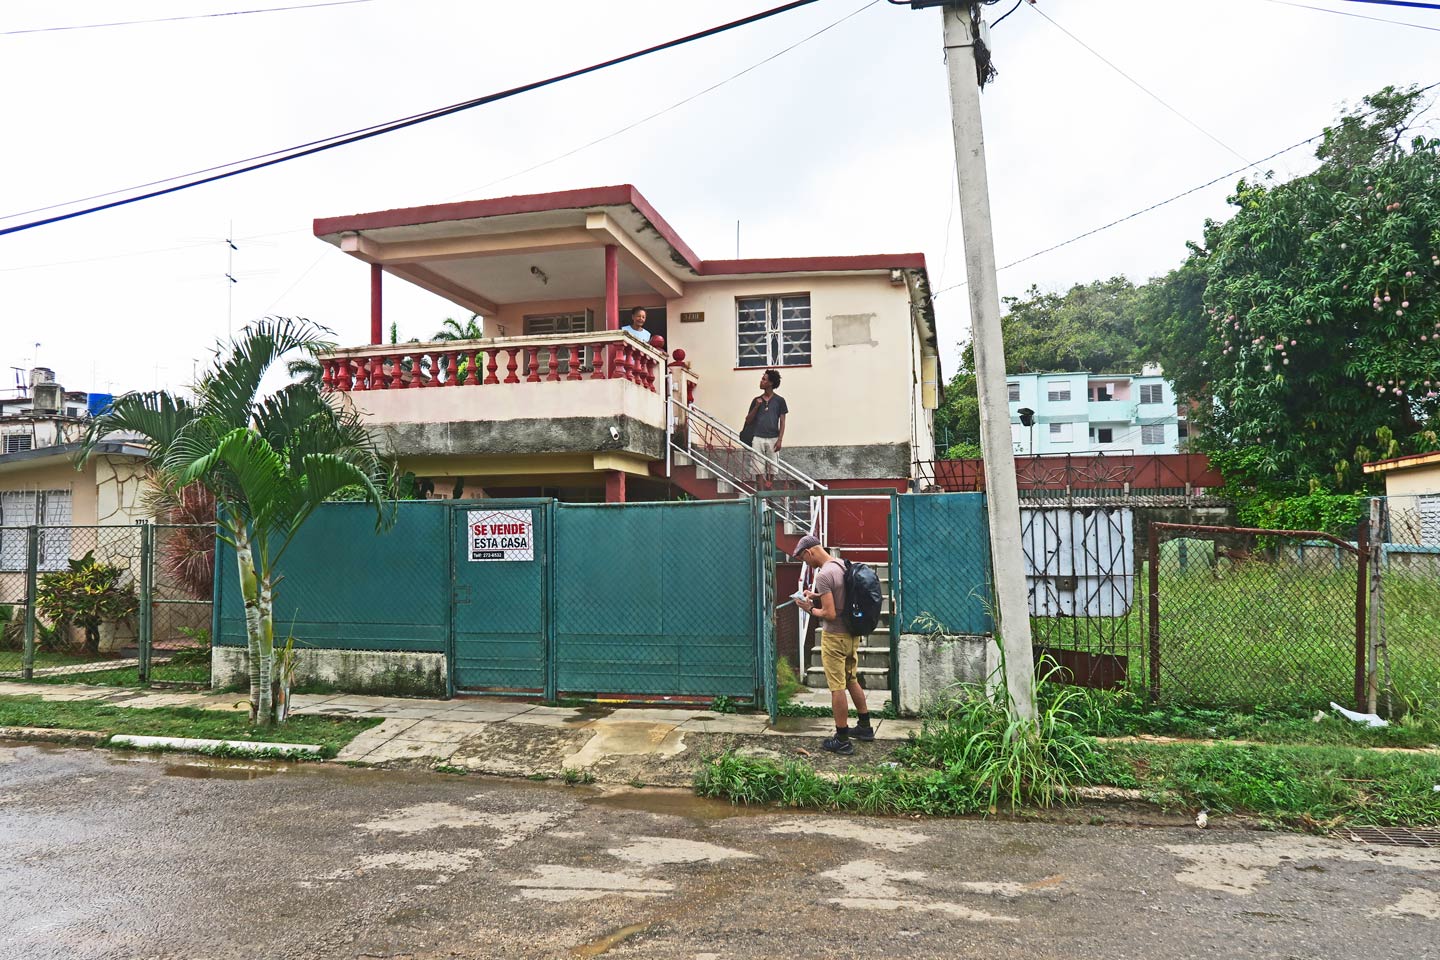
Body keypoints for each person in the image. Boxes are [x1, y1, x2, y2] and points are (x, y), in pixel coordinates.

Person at [794, 533, 873, 755]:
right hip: (851, 635)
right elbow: (840, 595)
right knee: (851, 679)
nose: (806, 563)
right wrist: (816, 595)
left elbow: (828, 613)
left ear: (809, 552)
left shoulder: (823, 574)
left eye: (803, 558)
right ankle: (865, 727)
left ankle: (842, 738)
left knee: (837, 687)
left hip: (834, 638)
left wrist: (808, 607)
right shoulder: (841, 565)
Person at [743, 369, 787, 489]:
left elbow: (782, 421)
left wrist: (780, 440)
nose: (761, 381)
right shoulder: (756, 400)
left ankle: (768, 491)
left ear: (770, 383)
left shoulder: (779, 401)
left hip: (773, 438)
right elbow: (748, 420)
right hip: (757, 437)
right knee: (758, 469)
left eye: (764, 379)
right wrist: (757, 406)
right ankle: (761, 496)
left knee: (772, 470)